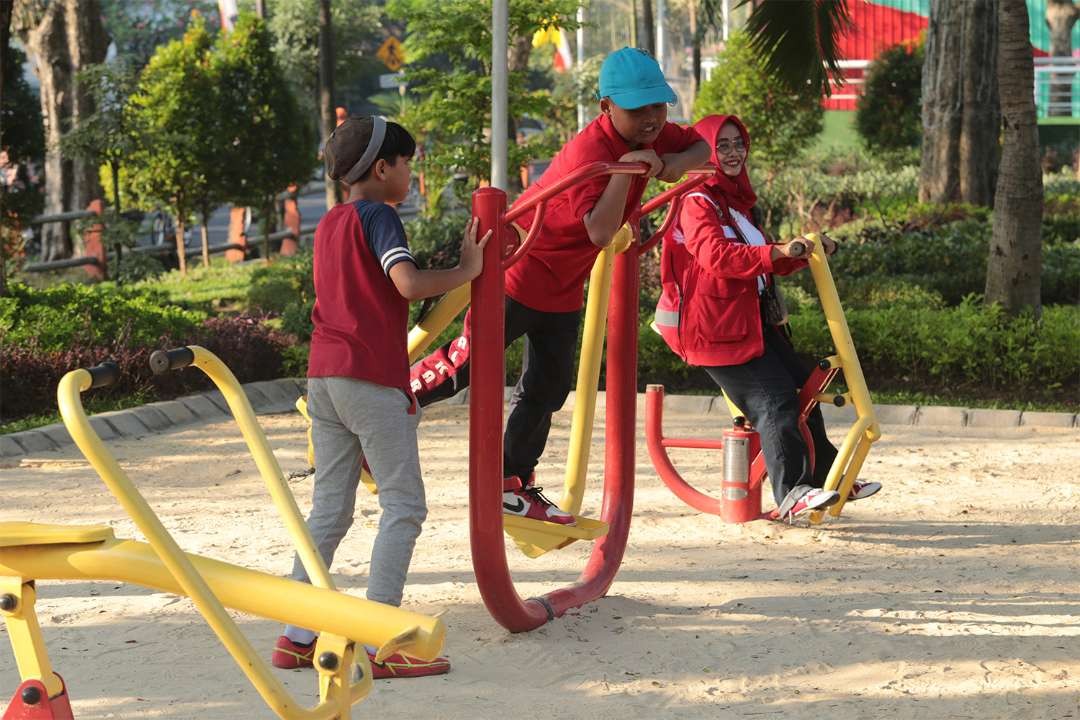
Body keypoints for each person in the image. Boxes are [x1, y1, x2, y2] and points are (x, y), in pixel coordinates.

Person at [409, 48, 710, 525]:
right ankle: (386, 401)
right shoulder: (589, 153)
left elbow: (701, 148)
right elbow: (600, 231)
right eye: (638, 110)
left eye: (658, 106)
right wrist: (628, 167)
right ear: (606, 107)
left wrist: (670, 161)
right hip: (519, 270)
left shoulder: (651, 132)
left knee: (548, 388)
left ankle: (510, 483)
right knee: (467, 366)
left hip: (563, 286)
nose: (652, 118)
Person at [271, 115, 490, 677]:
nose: (411, 175)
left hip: (323, 378)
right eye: (408, 163)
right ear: (382, 167)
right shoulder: (380, 217)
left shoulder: (330, 223)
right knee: (403, 504)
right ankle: (378, 640)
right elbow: (409, 285)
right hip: (368, 379)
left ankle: (295, 633)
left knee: (330, 509)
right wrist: (469, 268)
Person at [653, 114, 881, 522]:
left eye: (738, 143)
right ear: (703, 152)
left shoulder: (737, 203)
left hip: (749, 322)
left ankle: (830, 479)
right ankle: (793, 491)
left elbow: (759, 261)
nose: (733, 152)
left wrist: (802, 252)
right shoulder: (696, 200)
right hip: (715, 331)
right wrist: (776, 252)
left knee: (806, 385)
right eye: (720, 145)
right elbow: (717, 257)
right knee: (774, 401)